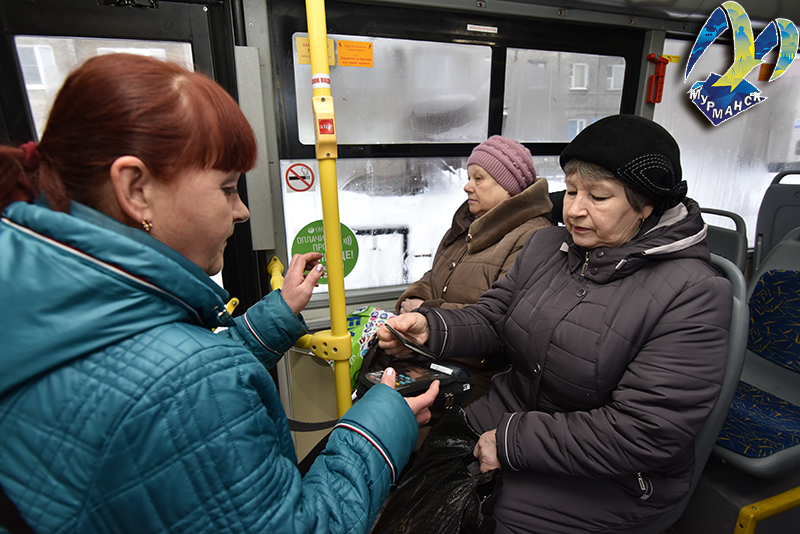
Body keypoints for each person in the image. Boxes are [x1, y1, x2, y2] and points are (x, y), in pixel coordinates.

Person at [0, 53, 437, 534]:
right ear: (136, 188)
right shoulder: (193, 385)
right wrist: (377, 429)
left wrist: (275, 315)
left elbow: (136, 372)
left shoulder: (38, 287)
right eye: (227, 188)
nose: (243, 210)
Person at [379, 115, 733, 533]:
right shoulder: (548, 246)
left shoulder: (694, 294)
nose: (574, 208)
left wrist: (512, 442)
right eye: (571, 189)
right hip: (508, 416)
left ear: (646, 207)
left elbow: (644, 431)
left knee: (479, 520)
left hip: (610, 475)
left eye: (598, 197)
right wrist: (432, 328)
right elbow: (494, 316)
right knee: (406, 490)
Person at [395, 135, 552, 402]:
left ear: (507, 186)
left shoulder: (531, 239)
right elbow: (435, 274)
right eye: (469, 177)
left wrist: (426, 313)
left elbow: (500, 317)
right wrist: (414, 297)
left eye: (479, 178)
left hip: (478, 378)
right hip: (435, 358)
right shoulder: (466, 226)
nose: (467, 187)